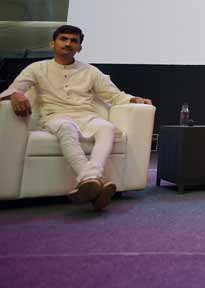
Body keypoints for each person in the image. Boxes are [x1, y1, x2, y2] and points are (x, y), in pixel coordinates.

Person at [0, 25, 153, 210]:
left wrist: (134, 99)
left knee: (108, 128)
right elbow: (14, 89)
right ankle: (93, 181)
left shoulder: (90, 71)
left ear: (79, 48)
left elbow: (114, 95)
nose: (68, 44)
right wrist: (16, 94)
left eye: (74, 41)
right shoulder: (37, 68)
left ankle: (90, 180)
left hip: (86, 115)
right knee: (66, 128)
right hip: (56, 116)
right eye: (63, 39)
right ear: (52, 43)